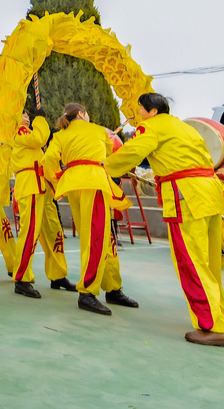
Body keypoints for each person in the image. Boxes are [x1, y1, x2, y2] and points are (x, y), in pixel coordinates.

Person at [105, 93, 224, 348]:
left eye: (141, 110)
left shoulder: (151, 127)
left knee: (191, 261)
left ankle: (211, 326)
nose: (139, 115)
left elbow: (130, 153)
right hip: (210, 192)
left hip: (185, 194)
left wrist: (103, 165)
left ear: (152, 111)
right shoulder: (184, 126)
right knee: (209, 260)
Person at [43, 103, 138, 315]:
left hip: (74, 184)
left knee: (103, 237)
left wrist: (57, 177)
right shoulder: (98, 129)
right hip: (93, 182)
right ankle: (87, 292)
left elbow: (48, 159)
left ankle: (112, 287)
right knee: (96, 238)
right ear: (82, 114)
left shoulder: (60, 135)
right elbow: (108, 153)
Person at [10, 107, 76, 299]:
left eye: (27, 116)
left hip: (42, 185)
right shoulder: (17, 132)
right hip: (30, 184)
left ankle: (58, 275)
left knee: (53, 230)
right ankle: (22, 278)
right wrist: (40, 119)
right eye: (22, 114)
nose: (26, 118)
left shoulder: (27, 133)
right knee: (30, 232)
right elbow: (40, 138)